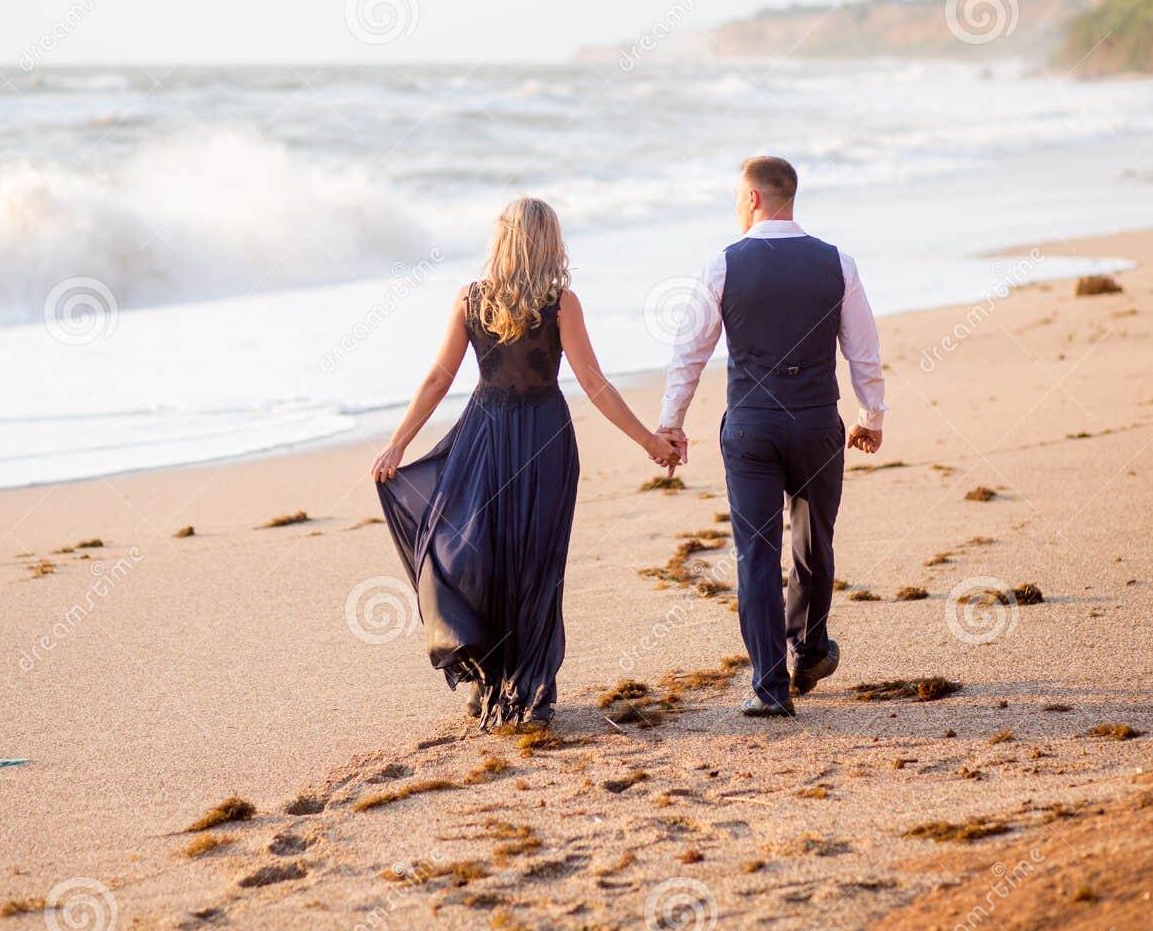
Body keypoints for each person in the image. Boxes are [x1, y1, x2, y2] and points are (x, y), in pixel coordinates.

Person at [372, 197, 680, 727]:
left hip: (486, 435)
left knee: (476, 552)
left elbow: (438, 379)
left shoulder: (472, 299)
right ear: (549, 242)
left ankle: (495, 678)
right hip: (543, 439)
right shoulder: (561, 302)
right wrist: (647, 439)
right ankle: (527, 686)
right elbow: (593, 383)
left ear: (502, 240)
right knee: (536, 563)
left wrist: (399, 442)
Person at [657, 156, 886, 717]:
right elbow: (864, 351)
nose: (737, 206)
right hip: (815, 422)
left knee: (756, 554)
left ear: (754, 198)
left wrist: (672, 422)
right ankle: (809, 650)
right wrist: (871, 417)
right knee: (814, 541)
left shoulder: (724, 265)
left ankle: (768, 686)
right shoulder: (838, 262)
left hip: (752, 425)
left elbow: (690, 354)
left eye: (738, 196)